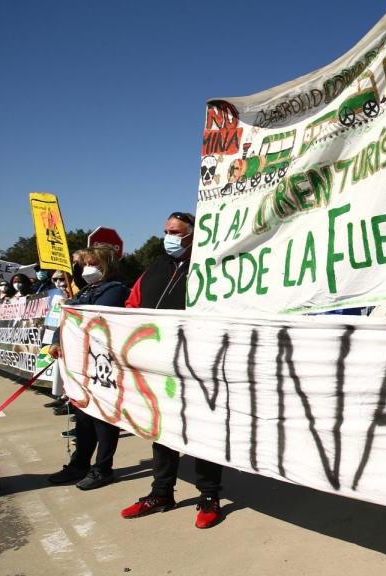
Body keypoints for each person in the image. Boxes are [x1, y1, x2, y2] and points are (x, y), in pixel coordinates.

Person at [118, 211, 225, 530]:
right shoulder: (155, 267)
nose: (169, 238)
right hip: (157, 364)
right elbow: (131, 306)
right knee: (161, 430)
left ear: (193, 234)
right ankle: (161, 493)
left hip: (197, 364)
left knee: (202, 430)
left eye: (176, 232)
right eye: (167, 231)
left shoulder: (212, 267)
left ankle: (209, 496)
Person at [47, 246, 130, 490]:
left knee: (103, 420)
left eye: (93, 264)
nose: (87, 269)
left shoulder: (114, 290)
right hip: (81, 363)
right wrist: (57, 341)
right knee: (83, 418)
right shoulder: (86, 290)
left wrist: (70, 310)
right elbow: (67, 321)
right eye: (85, 264)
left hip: (102, 364)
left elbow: (93, 320)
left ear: (107, 265)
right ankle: (79, 464)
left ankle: (103, 468)